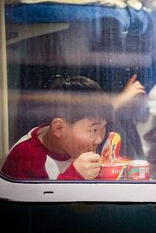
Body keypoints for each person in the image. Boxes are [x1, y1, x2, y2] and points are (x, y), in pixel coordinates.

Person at [1, 75, 135, 180]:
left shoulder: (80, 145)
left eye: (103, 128)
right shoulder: (25, 157)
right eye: (93, 130)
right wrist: (75, 175)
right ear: (59, 128)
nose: (99, 139)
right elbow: (38, 214)